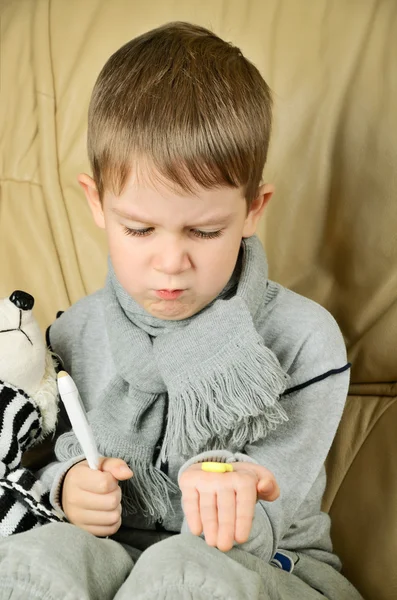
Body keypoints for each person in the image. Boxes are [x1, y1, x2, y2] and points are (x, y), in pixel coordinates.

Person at [0, 22, 363, 600]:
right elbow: (40, 455)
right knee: (27, 562)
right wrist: (67, 486)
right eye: (139, 228)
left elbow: (275, 500)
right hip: (114, 556)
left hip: (266, 564)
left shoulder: (302, 336)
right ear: (97, 203)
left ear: (252, 210)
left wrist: (236, 482)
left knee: (180, 577)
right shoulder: (71, 332)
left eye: (204, 230)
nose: (171, 263)